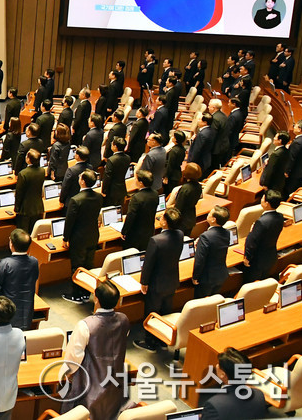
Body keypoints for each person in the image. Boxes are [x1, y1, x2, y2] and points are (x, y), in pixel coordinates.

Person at [59, 282, 129, 419]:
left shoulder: (85, 325)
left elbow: (74, 358)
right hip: (116, 385)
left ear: (96, 299)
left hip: (90, 388)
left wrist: (65, 374)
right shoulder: (124, 320)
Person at [134, 208, 184, 352]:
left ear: (165, 223)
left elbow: (148, 264)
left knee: (152, 313)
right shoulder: (180, 235)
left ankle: (150, 342)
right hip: (172, 279)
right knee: (166, 312)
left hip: (156, 283)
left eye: (162, 217)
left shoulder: (156, 240)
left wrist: (144, 282)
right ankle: (162, 340)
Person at [62, 170, 103, 303]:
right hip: (93, 235)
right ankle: (86, 293)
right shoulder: (98, 197)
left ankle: (76, 295)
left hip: (78, 238)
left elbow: (70, 222)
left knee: (77, 266)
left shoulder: (76, 200)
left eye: (80, 177)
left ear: (82, 181)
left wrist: (65, 238)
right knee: (88, 265)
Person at [0, 229, 39, 330]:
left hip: (7, 312)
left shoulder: (5, 264)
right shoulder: (34, 262)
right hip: (27, 310)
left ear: (11, 243)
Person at [201, 347, 269, 419]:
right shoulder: (258, 395)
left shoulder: (214, 405)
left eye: (218, 364)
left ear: (223, 374)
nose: (217, 366)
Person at [244, 190, 285, 282]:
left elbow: (252, 241)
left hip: (257, 261)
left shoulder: (261, 222)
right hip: (270, 257)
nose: (261, 199)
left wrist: (247, 257)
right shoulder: (280, 217)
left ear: (266, 203)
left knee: (251, 286)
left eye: (262, 198)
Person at [192, 206, 231, 298]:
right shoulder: (227, 233)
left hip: (206, 278)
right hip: (220, 275)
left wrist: (195, 276)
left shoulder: (206, 237)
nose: (208, 214)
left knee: (201, 304)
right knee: (213, 301)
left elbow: (200, 259)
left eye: (209, 213)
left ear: (213, 219)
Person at [120, 170, 158, 251]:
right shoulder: (155, 194)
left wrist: (124, 231)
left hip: (135, 234)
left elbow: (130, 216)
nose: (134, 180)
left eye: (136, 179)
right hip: (149, 231)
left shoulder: (136, 198)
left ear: (141, 182)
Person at [14, 148, 45, 234]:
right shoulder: (42, 171)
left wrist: (16, 208)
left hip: (25, 209)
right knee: (33, 233)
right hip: (38, 207)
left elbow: (19, 193)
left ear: (28, 159)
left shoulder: (23, 174)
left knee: (23, 234)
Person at [174, 162, 203, 233]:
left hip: (182, 222)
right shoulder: (199, 186)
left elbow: (178, 208)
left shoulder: (185, 189)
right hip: (191, 218)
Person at [101, 137, 130, 207]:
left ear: (115, 147)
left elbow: (107, 177)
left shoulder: (111, 160)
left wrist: (104, 191)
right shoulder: (128, 158)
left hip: (112, 191)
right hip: (122, 189)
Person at [286, 120, 302, 197]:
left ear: (299, 129)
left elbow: (291, 159)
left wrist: (286, 171)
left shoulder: (297, 142)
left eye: (295, 126)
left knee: (290, 192)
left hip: (295, 173)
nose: (293, 127)